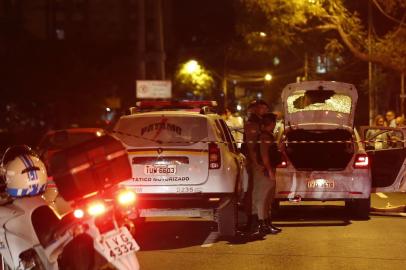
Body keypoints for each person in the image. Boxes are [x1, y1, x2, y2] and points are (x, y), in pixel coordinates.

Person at [252, 112, 281, 234]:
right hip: (265, 171)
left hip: (267, 169)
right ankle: (262, 224)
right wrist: (269, 170)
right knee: (263, 198)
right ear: (272, 123)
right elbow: (265, 156)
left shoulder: (268, 135)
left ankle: (267, 223)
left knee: (268, 198)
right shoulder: (264, 137)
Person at [243, 99, 270, 233]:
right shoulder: (252, 124)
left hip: (258, 162)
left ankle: (261, 221)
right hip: (254, 162)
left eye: (265, 108)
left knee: (260, 192)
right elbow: (251, 146)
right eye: (261, 108)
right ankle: (252, 221)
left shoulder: (259, 122)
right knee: (253, 192)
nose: (264, 110)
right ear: (254, 109)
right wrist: (256, 163)